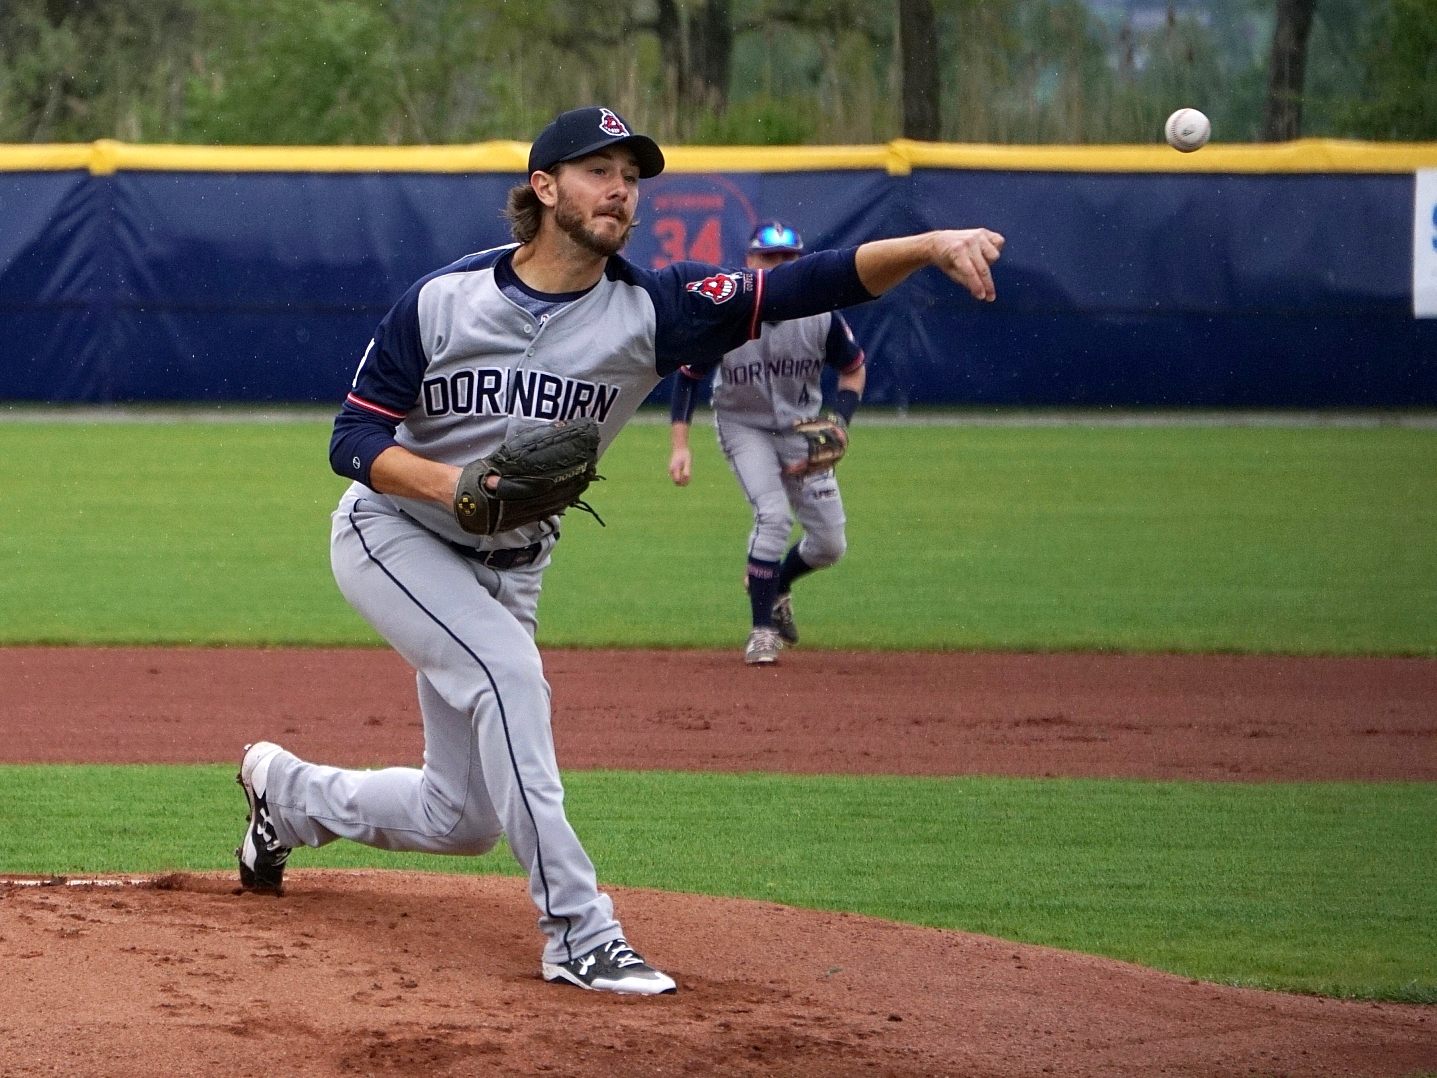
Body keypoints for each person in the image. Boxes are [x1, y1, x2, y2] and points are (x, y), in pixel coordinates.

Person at [234, 104, 1004, 997]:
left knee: (461, 818)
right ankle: (577, 930)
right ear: (544, 186)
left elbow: (802, 287)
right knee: (508, 677)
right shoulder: (443, 299)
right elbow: (353, 439)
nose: (620, 191)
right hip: (393, 533)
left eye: (632, 178)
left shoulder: (655, 309)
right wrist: (456, 489)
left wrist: (927, 242)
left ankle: (286, 798)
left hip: (514, 566)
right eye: (600, 171)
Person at [667, 220, 866, 665]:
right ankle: (761, 631)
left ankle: (776, 584)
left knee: (830, 544)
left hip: (801, 428)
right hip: (743, 425)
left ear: (801, 264)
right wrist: (680, 445)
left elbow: (853, 369)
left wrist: (840, 423)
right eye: (768, 258)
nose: (778, 266)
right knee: (773, 516)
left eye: (787, 259)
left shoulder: (822, 316)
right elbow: (689, 377)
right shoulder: (728, 312)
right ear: (751, 262)